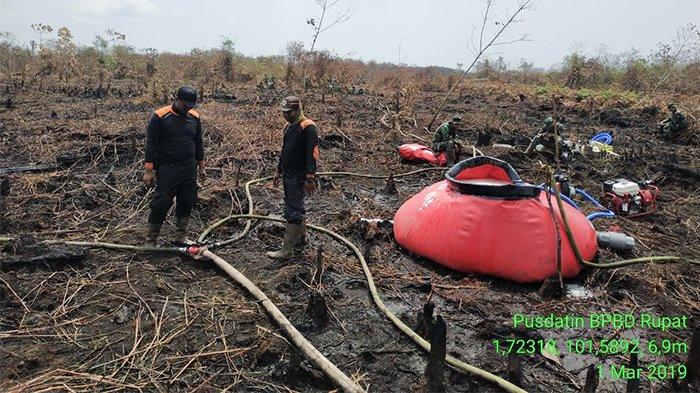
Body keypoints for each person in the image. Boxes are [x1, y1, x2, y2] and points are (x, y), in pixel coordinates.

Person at [143, 86, 206, 246]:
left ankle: (180, 236)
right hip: (167, 168)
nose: (188, 109)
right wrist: (149, 170)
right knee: (162, 202)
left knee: (186, 201)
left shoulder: (194, 117)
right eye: (185, 105)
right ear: (177, 100)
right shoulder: (160, 116)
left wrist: (202, 166)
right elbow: (151, 144)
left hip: (189, 167)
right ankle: (151, 240)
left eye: (191, 106)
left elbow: (198, 143)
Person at [268, 96, 319, 259]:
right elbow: (285, 151)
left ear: (297, 110)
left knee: (293, 210)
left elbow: (312, 154)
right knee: (294, 205)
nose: (285, 115)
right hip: (287, 174)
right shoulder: (288, 126)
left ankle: (286, 250)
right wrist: (278, 170)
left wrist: (310, 178)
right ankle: (301, 238)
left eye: (288, 112)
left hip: (299, 176)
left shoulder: (308, 127)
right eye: (283, 113)